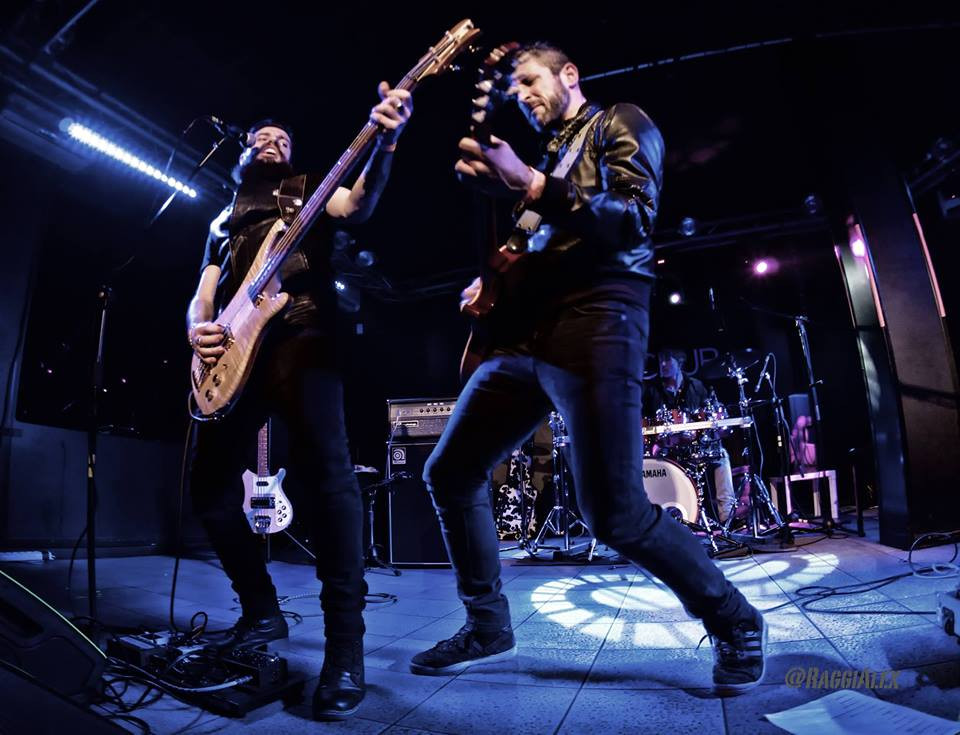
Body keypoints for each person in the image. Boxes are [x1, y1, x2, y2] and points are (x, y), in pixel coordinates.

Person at [410, 41, 765, 695]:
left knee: (615, 513)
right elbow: (523, 245)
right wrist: (490, 281)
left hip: (600, 316)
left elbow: (634, 218)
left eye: (530, 80)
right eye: (515, 87)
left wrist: (532, 183)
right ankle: (487, 625)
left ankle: (734, 619)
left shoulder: (618, 122)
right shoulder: (550, 157)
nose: (521, 94)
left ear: (568, 75)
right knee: (450, 471)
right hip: (526, 337)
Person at [185, 82, 412, 721]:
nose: (271, 143)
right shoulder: (221, 219)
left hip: (299, 334)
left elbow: (359, 203)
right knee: (208, 491)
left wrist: (386, 143)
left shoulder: (308, 189)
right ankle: (261, 611)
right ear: (241, 154)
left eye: (282, 139)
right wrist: (196, 328)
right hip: (232, 355)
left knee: (328, 482)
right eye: (261, 138)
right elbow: (203, 292)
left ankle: (345, 649)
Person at [644, 348, 738, 523]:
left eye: (667, 360)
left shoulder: (696, 386)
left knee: (721, 456)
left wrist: (715, 422)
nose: (662, 365)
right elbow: (645, 422)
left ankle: (728, 518)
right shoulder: (651, 390)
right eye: (660, 361)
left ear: (679, 362)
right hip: (668, 449)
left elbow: (708, 413)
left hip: (694, 444)